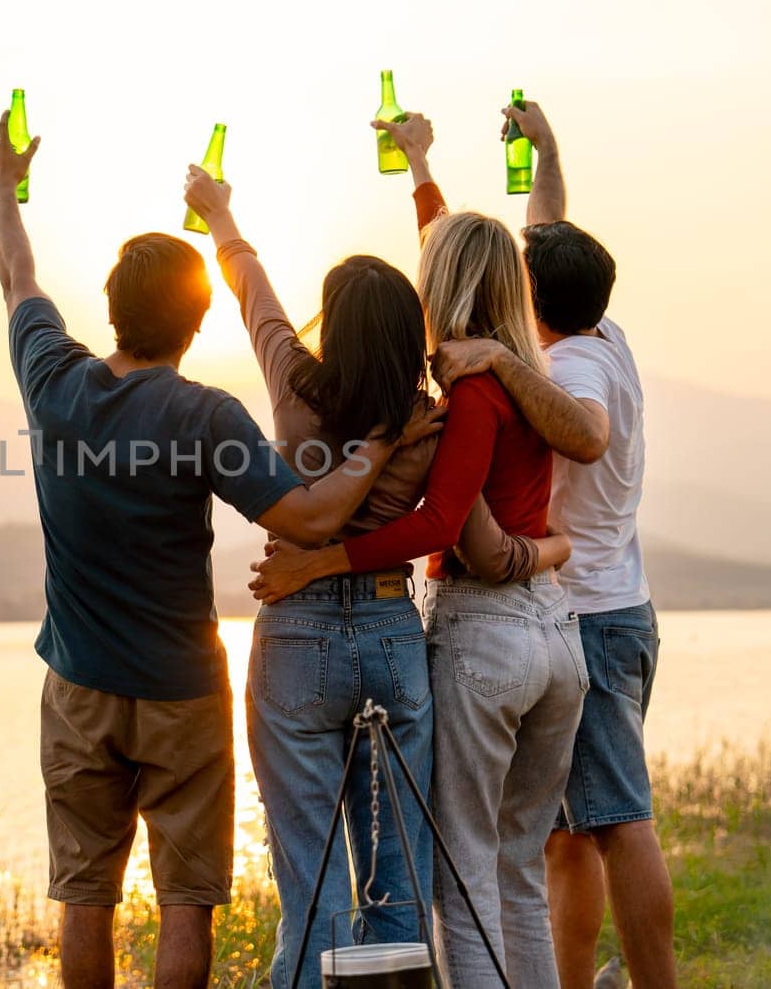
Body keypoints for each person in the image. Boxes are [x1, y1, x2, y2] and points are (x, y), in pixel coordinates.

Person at [0, 111, 405, 989]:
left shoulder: (53, 379)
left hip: (78, 687)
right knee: (186, 898)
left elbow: (17, 274)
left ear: (109, 308)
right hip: (179, 689)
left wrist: (2, 185)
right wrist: (376, 446)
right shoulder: (204, 413)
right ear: (199, 319)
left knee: (86, 894)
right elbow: (312, 520)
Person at [181, 113, 570, 989]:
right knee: (398, 895)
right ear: (410, 331)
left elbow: (252, 288)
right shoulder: (433, 415)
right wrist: (542, 550)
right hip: (396, 639)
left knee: (309, 898)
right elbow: (449, 524)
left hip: (297, 641)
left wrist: (217, 215)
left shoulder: (291, 383)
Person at [432, 102, 677, 989]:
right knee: (564, 833)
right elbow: (549, 233)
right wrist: (547, 150)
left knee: (616, 818)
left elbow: (589, 432)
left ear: (533, 298)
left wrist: (497, 362)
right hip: (600, 612)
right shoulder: (597, 325)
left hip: (596, 614)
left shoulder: (567, 367)